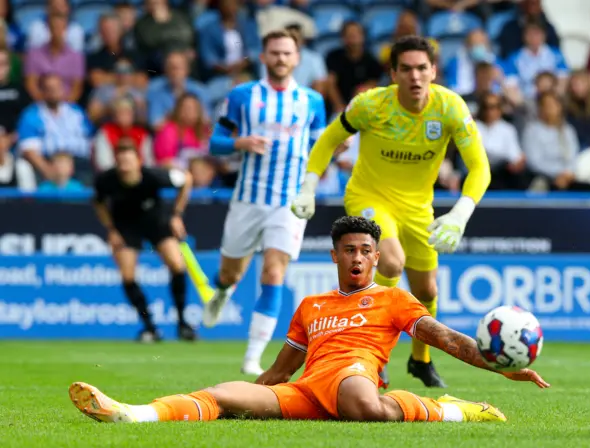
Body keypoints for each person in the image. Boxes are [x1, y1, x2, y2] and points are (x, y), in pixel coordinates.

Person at [68, 216, 549, 425]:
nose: (358, 258)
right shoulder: (310, 305)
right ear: (336, 255)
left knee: (362, 403)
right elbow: (280, 372)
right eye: (350, 251)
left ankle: (453, 409)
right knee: (221, 395)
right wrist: (257, 392)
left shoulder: (393, 298)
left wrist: (499, 366)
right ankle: (133, 413)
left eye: (366, 251)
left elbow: (447, 339)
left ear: (377, 257)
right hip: (309, 392)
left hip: (354, 375)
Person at [291, 35, 492, 389]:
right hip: (370, 196)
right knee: (391, 262)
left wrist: (460, 213)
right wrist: (308, 185)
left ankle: (420, 359)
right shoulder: (370, 105)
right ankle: (370, 354)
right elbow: (326, 140)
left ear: (433, 71)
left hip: (417, 207)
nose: (414, 77)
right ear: (393, 73)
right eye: (406, 69)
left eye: (421, 68)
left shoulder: (451, 108)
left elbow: (479, 167)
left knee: (426, 288)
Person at [205, 29, 327, 376]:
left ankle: (252, 357)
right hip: (247, 199)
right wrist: (239, 143)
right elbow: (215, 142)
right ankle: (223, 290)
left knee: (274, 272)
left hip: (289, 203)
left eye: (287, 53)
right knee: (232, 271)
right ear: (263, 57)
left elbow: (321, 145)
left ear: (297, 58)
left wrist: (335, 152)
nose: (281, 59)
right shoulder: (242, 95)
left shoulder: (311, 101)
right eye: (274, 53)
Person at [93, 137, 197, 342]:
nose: (125, 166)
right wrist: (111, 229)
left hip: (155, 222)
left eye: (129, 161)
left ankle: (183, 324)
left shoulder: (154, 176)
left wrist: (176, 215)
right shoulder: (105, 180)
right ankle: (149, 327)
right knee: (127, 275)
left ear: (138, 162)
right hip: (125, 226)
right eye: (121, 162)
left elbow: (187, 179)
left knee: (177, 265)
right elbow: (98, 203)